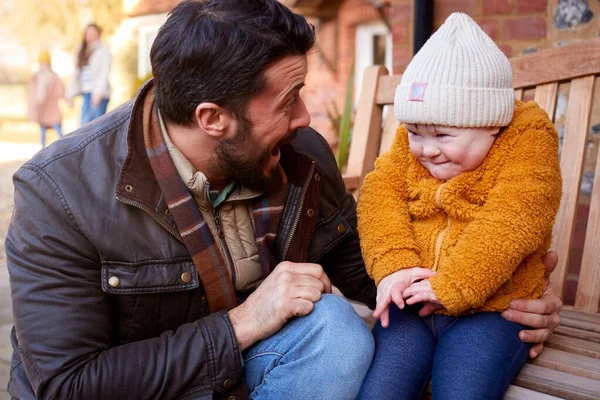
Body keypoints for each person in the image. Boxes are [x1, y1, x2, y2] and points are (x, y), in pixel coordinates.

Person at [6, 3, 561, 399]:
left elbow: (378, 281)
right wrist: (243, 323)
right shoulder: (59, 194)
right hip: (148, 388)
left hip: (261, 373)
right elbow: (68, 384)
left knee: (336, 333)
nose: (306, 118)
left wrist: (498, 291)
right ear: (213, 119)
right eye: (290, 99)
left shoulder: (300, 155)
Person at [357, 13, 562, 400]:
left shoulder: (527, 144)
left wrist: (451, 286)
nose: (426, 148)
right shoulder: (413, 144)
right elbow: (379, 198)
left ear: (492, 125)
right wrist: (394, 269)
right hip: (413, 302)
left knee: (464, 389)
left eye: (443, 136)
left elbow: (513, 221)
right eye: (415, 132)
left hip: (493, 309)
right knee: (381, 389)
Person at [66, 23, 111, 126]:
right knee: (85, 126)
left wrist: (98, 94)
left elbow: (104, 73)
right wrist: (70, 94)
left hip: (98, 94)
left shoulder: (103, 50)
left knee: (96, 127)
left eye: (92, 32)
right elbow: (76, 74)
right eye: (87, 32)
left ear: (98, 34)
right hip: (86, 92)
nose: (89, 35)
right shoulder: (81, 50)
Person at [27, 50, 65, 148]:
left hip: (51, 107)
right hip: (41, 108)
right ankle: (42, 149)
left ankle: (65, 145)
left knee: (57, 127)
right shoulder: (36, 77)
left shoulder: (53, 76)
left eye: (45, 63)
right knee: (43, 130)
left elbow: (60, 90)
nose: (43, 65)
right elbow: (32, 93)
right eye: (41, 63)